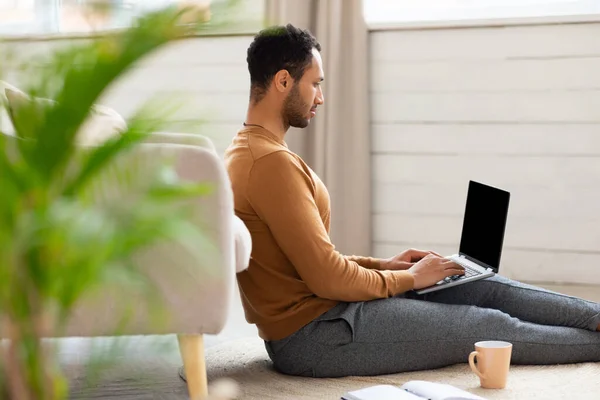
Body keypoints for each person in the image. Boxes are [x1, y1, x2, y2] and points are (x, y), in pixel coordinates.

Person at [223, 23, 600, 378]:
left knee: (473, 284)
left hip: (327, 315)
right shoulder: (269, 163)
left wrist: (385, 265)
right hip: (316, 336)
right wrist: (406, 279)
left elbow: (306, 260)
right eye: (314, 84)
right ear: (283, 81)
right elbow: (327, 278)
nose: (320, 96)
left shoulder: (247, 152)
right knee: (485, 326)